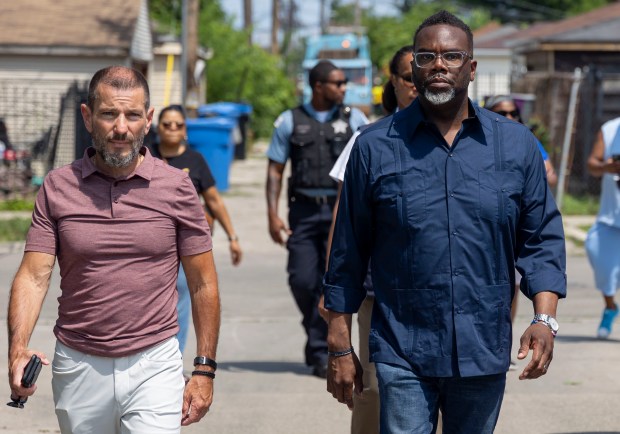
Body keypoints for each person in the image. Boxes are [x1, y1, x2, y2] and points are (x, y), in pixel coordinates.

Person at [323, 11, 566, 434]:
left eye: (452, 56)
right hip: (403, 346)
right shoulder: (374, 147)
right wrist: (340, 344)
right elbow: (348, 252)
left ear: (471, 68)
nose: (439, 64)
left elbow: (541, 239)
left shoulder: (515, 146)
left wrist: (544, 319)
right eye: (426, 56)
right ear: (411, 69)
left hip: (482, 348)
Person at [7, 66, 221, 433]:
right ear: (88, 117)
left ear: (148, 119)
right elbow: (33, 276)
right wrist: (18, 349)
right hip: (78, 364)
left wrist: (204, 368)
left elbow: (203, 283)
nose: (121, 127)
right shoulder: (58, 188)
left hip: (155, 362)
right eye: (109, 114)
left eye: (133, 115)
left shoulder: (177, 188)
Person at [323, 45, 419, 434]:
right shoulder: (368, 140)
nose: (418, 84)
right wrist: (332, 294)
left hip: (440, 294)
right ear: (393, 84)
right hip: (378, 294)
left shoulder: (462, 139)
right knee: (376, 389)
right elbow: (343, 222)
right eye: (409, 77)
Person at [266, 60, 369, 378]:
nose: (343, 89)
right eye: (337, 83)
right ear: (318, 86)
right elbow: (275, 170)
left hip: (344, 209)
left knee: (334, 280)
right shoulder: (289, 121)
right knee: (302, 279)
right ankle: (319, 338)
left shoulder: (356, 120)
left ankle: (320, 351)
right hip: (305, 211)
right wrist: (271, 213)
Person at [150, 104, 242, 354]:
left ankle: (174, 358)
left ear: (185, 131)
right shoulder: (145, 156)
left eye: (178, 125)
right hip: (149, 242)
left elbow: (213, 200)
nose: (172, 129)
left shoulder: (195, 160)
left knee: (180, 296)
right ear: (157, 128)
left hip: (183, 244)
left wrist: (232, 237)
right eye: (166, 124)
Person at [486, 94, 558, 369]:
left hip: (520, 228)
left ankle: (502, 339)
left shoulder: (523, 140)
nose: (508, 118)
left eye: (512, 113)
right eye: (500, 112)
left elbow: (549, 173)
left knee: (511, 288)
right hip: (489, 231)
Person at [585, 116, 620, 338]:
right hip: (611, 217)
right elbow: (592, 166)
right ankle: (610, 307)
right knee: (597, 254)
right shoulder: (610, 129)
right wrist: (609, 166)